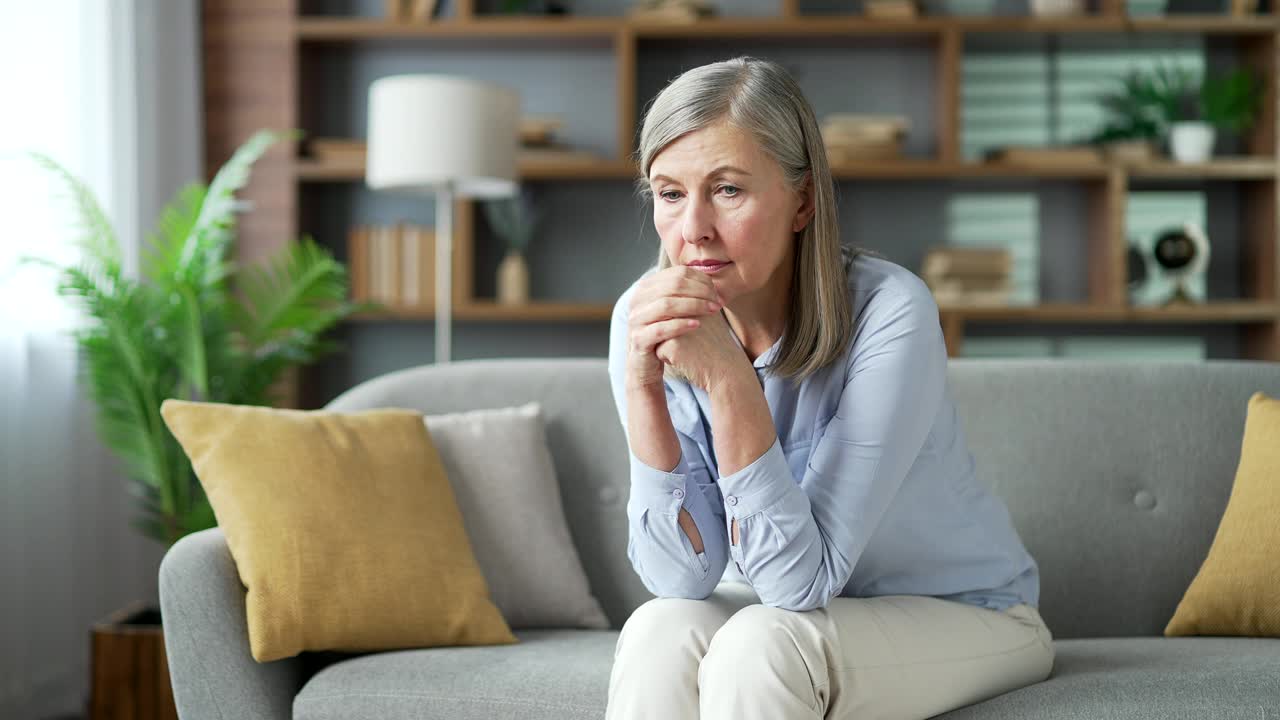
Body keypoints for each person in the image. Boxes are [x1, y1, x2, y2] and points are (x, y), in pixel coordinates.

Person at [604, 56, 1055, 720]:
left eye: (727, 190)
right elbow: (680, 578)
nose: (692, 228)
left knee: (763, 644)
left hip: (966, 614)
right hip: (786, 618)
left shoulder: (891, 310)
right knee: (656, 628)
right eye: (670, 193)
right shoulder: (644, 317)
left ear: (803, 201)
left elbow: (799, 581)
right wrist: (644, 386)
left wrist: (729, 380)